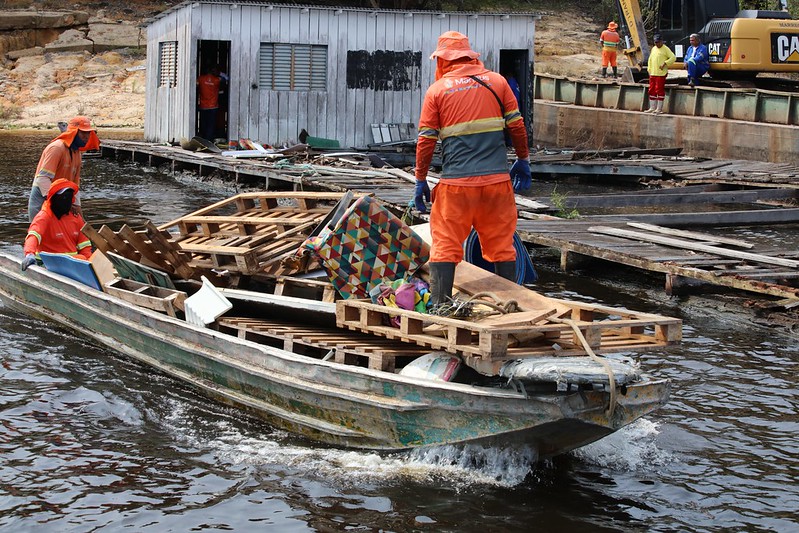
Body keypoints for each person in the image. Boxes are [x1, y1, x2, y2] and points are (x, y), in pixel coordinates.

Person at [413, 31, 531, 307]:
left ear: (442, 60)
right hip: (496, 184)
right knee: (502, 245)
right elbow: (517, 126)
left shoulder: (438, 91)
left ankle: (442, 309)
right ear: (471, 55)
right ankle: (509, 307)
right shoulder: (498, 82)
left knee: (445, 246)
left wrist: (420, 179)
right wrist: (523, 160)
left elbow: (426, 141)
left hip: (457, 186)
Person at [28, 116, 100, 222]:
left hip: (62, 200)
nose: (86, 137)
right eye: (83, 133)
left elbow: (75, 186)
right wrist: (59, 201)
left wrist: (78, 211)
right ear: (74, 132)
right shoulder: (56, 148)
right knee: (42, 235)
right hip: (42, 199)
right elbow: (42, 179)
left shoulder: (77, 153)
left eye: (88, 133)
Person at [22, 179, 92, 271]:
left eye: (69, 197)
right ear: (54, 198)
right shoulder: (44, 217)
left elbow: (85, 247)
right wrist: (29, 254)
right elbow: (33, 235)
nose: (66, 201)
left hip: (73, 265)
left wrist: (89, 265)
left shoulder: (76, 218)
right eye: (63, 197)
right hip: (46, 264)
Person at [644, 33, 676, 114]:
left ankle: (659, 108)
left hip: (661, 73)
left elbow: (673, 57)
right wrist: (649, 69)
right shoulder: (653, 49)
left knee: (659, 89)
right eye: (655, 42)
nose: (657, 44)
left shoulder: (665, 49)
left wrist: (665, 63)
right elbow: (650, 59)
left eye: (658, 42)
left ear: (662, 41)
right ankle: (652, 107)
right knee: (651, 89)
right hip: (653, 73)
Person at [197, 66, 222, 141]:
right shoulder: (217, 80)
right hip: (213, 106)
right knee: (211, 124)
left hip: (203, 106)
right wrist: (220, 73)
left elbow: (195, 85)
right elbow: (227, 79)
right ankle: (209, 139)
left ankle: (204, 138)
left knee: (203, 123)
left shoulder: (200, 79)